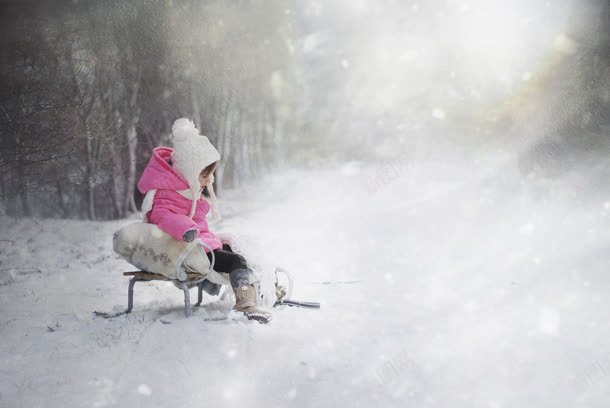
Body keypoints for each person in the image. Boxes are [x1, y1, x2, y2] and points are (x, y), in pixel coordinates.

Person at [137, 118, 271, 323]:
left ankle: (261, 289)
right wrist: (186, 229)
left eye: (210, 175)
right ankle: (244, 301)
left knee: (239, 249)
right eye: (204, 175)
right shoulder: (167, 193)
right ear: (189, 170)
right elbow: (162, 216)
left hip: (201, 245)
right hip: (189, 250)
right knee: (236, 261)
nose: (209, 180)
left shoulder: (188, 191)